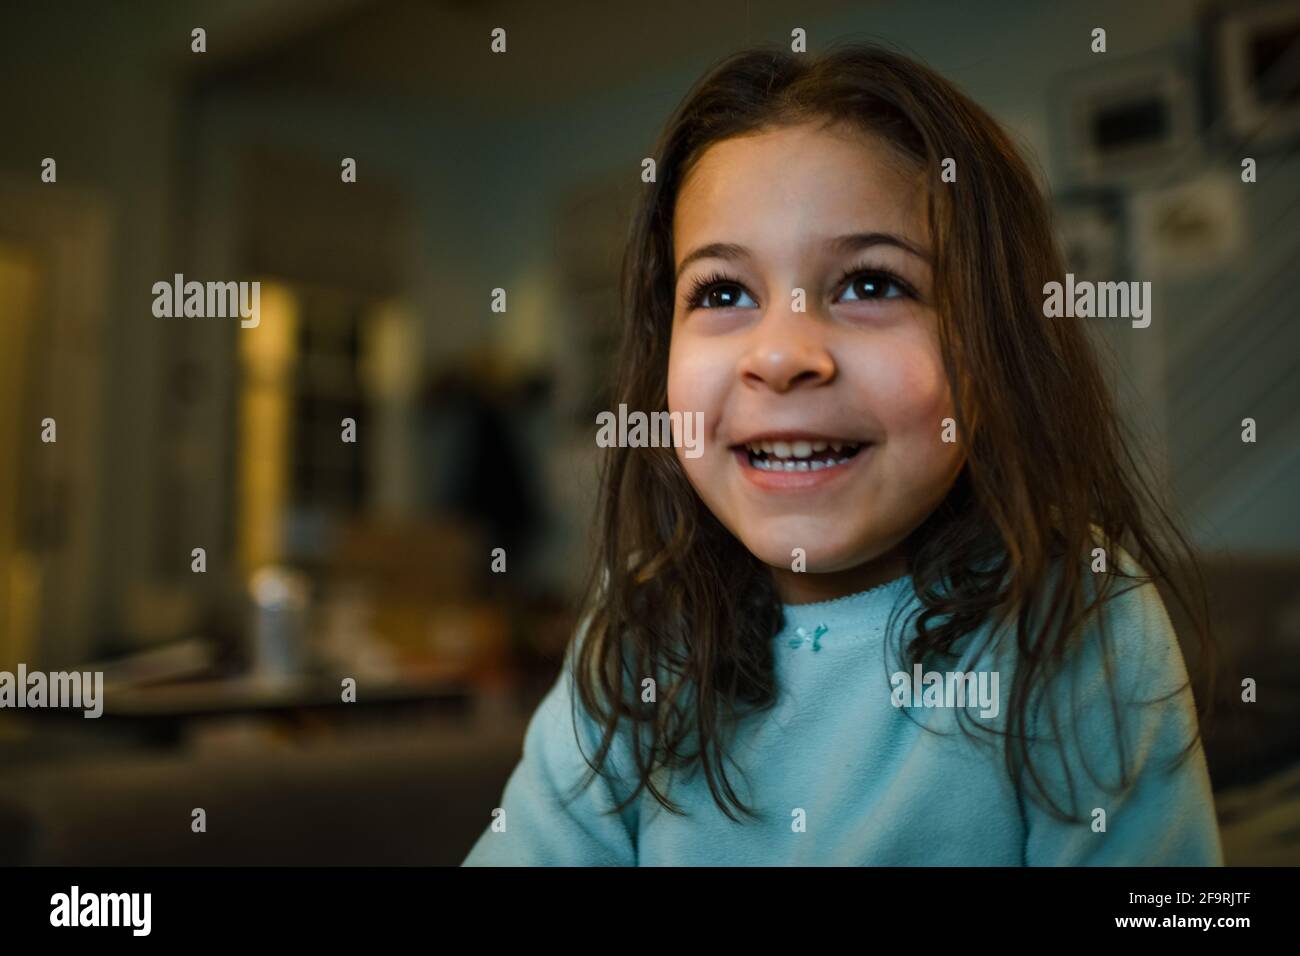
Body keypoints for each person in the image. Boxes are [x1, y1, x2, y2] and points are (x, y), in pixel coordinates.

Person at [463, 42, 1222, 866]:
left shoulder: (1074, 617)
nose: (782, 354)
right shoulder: (643, 626)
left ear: (993, 346)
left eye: (871, 284)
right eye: (722, 293)